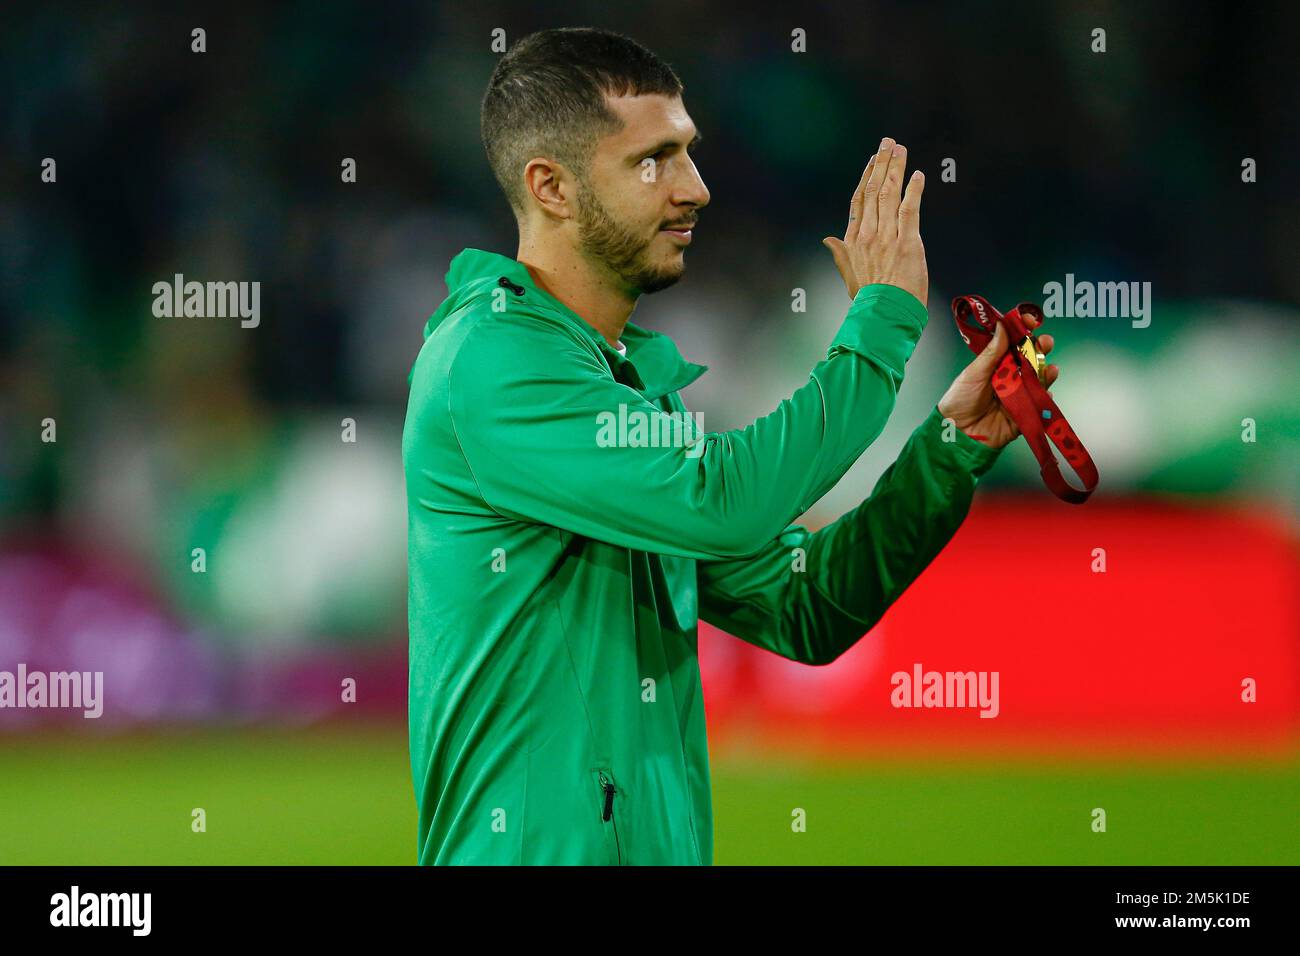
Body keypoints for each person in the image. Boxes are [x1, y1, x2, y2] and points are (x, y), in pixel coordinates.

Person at [403, 27, 1057, 865]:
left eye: (690, 153)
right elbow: (724, 505)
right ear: (551, 187)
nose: (696, 188)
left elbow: (806, 606)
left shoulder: (625, 384)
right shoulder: (493, 361)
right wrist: (880, 332)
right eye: (655, 160)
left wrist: (950, 445)